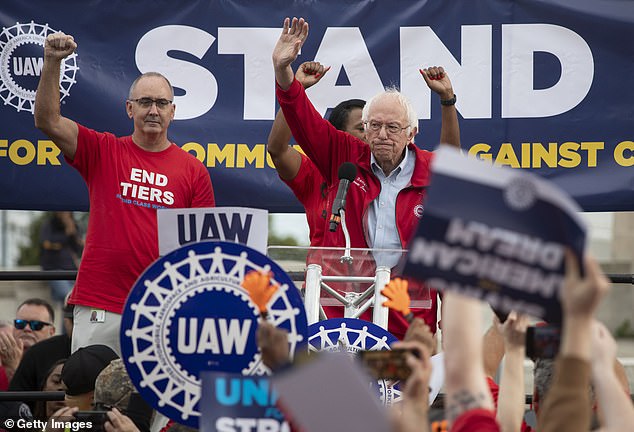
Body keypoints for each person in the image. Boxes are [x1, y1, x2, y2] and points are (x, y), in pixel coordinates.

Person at [272, 17, 460, 335]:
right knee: (340, 385)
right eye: (374, 125)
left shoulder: (431, 172)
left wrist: (450, 336)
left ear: (412, 133)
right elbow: (302, 120)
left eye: (393, 127)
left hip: (407, 317)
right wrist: (283, 72)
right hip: (343, 315)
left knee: (398, 386)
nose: (382, 135)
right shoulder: (345, 156)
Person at [34, 32, 216, 356]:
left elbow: (202, 250)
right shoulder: (103, 150)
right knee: (90, 401)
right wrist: (51, 62)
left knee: (155, 407)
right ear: (129, 109)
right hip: (101, 304)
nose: (153, 110)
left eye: (161, 103)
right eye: (145, 102)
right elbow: (47, 120)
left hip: (164, 311)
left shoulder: (193, 171)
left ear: (173, 111)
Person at [267, 61, 365, 247]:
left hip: (374, 275)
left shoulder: (386, 173)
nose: (372, 134)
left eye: (373, 127)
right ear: (338, 135)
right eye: (362, 128)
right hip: (321, 274)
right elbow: (277, 150)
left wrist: (441, 101)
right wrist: (296, 87)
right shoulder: (313, 174)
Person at [39, 211, 83, 304]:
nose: (65, 214)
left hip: (71, 269)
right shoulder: (50, 224)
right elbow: (46, 244)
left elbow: (77, 248)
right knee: (67, 296)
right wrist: (66, 234)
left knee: (74, 298)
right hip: (54, 269)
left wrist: (73, 233)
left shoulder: (74, 226)